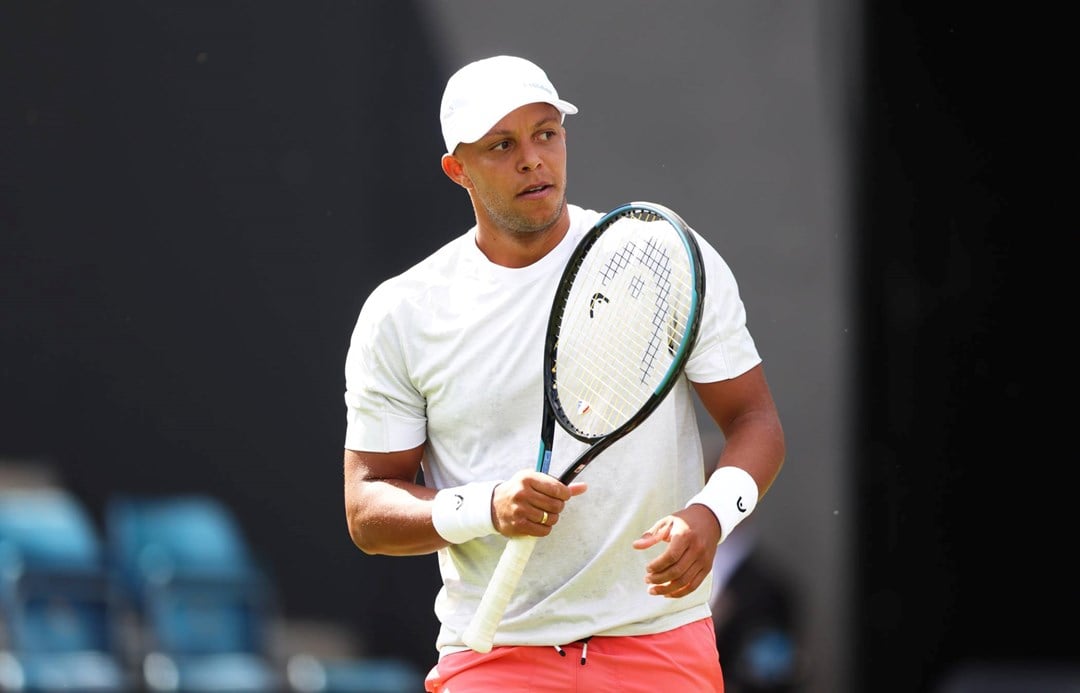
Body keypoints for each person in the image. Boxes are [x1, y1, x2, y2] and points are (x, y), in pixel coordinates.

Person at [342, 55, 786, 692]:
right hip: (494, 658)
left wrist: (711, 515)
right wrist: (488, 507)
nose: (532, 158)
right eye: (502, 144)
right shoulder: (401, 313)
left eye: (545, 133)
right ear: (457, 169)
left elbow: (755, 420)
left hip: (660, 645)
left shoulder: (660, 257)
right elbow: (367, 510)